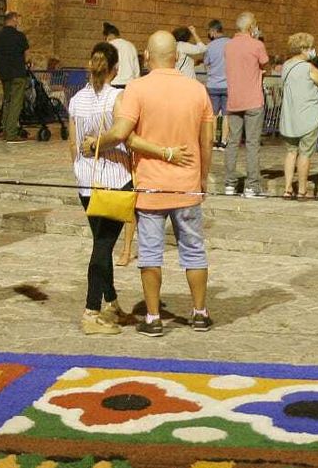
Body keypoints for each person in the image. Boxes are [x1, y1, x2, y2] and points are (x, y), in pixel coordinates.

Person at [100, 30, 216, 336]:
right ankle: (200, 312)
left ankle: (152, 317)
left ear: (146, 56)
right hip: (187, 183)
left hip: (150, 185)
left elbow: (124, 132)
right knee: (194, 250)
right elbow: (207, 141)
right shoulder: (197, 90)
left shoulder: (136, 89)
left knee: (150, 252)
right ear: (177, 57)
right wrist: (203, 177)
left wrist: (94, 143)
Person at [70, 42, 134, 336]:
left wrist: (79, 168)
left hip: (86, 181)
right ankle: (91, 310)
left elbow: (72, 143)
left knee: (101, 243)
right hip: (114, 179)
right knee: (103, 246)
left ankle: (112, 303)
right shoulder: (116, 98)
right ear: (115, 70)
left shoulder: (76, 100)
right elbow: (121, 134)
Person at [222, 12, 269, 197]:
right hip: (253, 100)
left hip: (234, 99)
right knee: (252, 143)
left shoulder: (228, 45)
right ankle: (252, 185)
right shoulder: (257, 45)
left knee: (232, 142)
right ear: (251, 27)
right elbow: (265, 64)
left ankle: (229, 183)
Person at [279, 33, 318, 199]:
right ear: (304, 49)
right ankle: (302, 190)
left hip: (289, 117)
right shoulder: (308, 68)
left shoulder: (286, 66)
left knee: (291, 152)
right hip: (308, 116)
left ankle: (287, 188)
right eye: (311, 48)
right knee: (305, 153)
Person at [0, 11, 30, 142]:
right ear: (14, 19)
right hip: (18, 73)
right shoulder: (19, 36)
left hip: (5, 74)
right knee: (16, 103)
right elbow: (27, 57)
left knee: (7, 101)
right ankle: (11, 133)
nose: (18, 21)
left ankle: (5, 130)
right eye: (18, 19)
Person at [204, 19, 229, 148]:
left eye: (209, 31)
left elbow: (206, 64)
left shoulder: (210, 46)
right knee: (226, 115)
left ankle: (213, 140)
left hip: (213, 84)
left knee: (212, 114)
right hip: (228, 85)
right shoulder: (231, 43)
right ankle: (224, 141)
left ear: (213, 31)